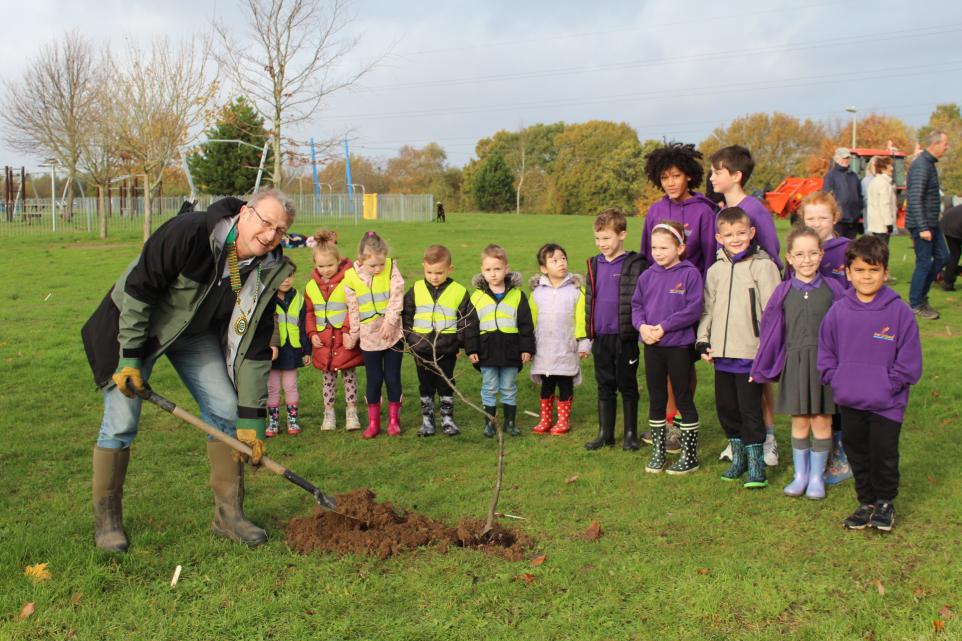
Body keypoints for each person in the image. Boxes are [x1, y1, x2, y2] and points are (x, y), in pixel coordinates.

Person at [81, 190, 296, 551]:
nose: (269, 234)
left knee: (227, 413)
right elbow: (139, 289)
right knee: (121, 422)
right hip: (137, 327)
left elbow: (256, 349)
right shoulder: (191, 233)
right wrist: (131, 357)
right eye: (265, 222)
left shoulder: (264, 271)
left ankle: (229, 518)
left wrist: (253, 421)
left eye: (280, 230)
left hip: (193, 334)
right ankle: (108, 523)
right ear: (245, 213)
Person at [818, 236, 922, 531]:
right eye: (860, 270)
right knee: (856, 451)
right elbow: (826, 352)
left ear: (885, 273)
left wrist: (887, 385)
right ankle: (866, 502)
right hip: (850, 399)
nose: (867, 276)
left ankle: (885, 502)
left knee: (884, 453)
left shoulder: (899, 312)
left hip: (887, 403)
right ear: (848, 273)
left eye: (873, 270)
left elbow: (910, 361)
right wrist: (837, 379)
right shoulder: (838, 311)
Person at [752, 227, 846, 499]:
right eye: (800, 254)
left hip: (825, 365)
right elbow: (771, 332)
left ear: (821, 254)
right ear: (790, 258)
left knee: (821, 419)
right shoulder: (782, 292)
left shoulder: (834, 289)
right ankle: (800, 475)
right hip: (795, 363)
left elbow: (847, 328)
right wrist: (762, 367)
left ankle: (817, 477)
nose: (807, 260)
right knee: (800, 420)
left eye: (813, 253)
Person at [695, 207, 781, 488]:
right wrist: (703, 340)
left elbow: (773, 312)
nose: (735, 238)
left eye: (741, 233)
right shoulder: (715, 270)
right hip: (722, 355)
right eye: (729, 234)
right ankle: (739, 458)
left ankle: (757, 465)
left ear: (751, 233)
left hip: (750, 353)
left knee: (750, 410)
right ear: (719, 237)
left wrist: (766, 350)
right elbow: (708, 309)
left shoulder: (763, 266)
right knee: (727, 409)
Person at [638, 142, 716, 451]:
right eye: (665, 176)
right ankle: (668, 424)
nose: (671, 182)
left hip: (689, 301)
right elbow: (648, 255)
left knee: (684, 365)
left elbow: (711, 258)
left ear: (689, 177)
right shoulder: (655, 210)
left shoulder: (704, 211)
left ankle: (683, 422)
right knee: (663, 365)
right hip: (659, 302)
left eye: (677, 175)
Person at [709, 145, 782, 465]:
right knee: (735, 388)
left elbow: (772, 254)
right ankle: (740, 441)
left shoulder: (755, 209)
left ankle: (768, 439)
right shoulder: (723, 209)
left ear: (735, 176)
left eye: (717, 172)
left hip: (755, 310)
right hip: (729, 314)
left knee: (758, 380)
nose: (711, 177)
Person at [630, 220, 703, 474]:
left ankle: (689, 454)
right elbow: (637, 306)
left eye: (664, 247)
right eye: (654, 248)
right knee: (657, 397)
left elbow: (693, 309)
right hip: (653, 347)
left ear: (680, 248)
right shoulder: (648, 275)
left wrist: (664, 326)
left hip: (679, 346)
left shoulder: (689, 273)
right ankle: (659, 451)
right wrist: (642, 327)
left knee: (683, 397)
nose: (658, 253)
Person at [583, 209, 649, 451]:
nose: (602, 244)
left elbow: (645, 299)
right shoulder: (593, 264)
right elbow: (589, 299)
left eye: (607, 238)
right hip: (601, 336)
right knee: (604, 384)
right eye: (598, 239)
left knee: (627, 385)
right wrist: (587, 334)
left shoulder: (636, 264)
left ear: (622, 235)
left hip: (625, 337)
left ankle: (630, 434)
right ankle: (605, 433)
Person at [464, 244, 536, 438]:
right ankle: (490, 422)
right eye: (488, 270)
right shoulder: (477, 297)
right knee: (489, 386)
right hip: (486, 350)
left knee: (508, 387)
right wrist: (471, 350)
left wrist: (527, 348)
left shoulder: (517, 295)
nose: (493, 274)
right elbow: (470, 326)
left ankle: (510, 423)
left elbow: (526, 325)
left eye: (497, 269)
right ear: (482, 271)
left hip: (511, 351)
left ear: (506, 269)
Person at [402, 244, 472, 437]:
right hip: (421, 347)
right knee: (425, 384)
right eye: (429, 272)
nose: (434, 277)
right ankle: (427, 421)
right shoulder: (415, 289)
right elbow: (407, 316)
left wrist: (458, 343)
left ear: (450, 269)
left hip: (447, 348)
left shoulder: (459, 291)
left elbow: (465, 320)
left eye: (439, 273)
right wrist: (411, 338)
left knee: (446, 382)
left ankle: (447, 419)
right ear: (423, 266)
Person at [343, 231, 405, 438]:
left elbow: (397, 298)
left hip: (392, 334)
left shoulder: (391, 269)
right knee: (374, 378)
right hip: (369, 337)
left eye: (380, 264)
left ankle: (394, 421)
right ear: (361, 259)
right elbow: (352, 308)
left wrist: (389, 323)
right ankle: (373, 423)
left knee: (392, 377)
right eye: (372, 266)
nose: (378, 269)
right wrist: (353, 334)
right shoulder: (350, 277)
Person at [528, 243, 591, 436]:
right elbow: (530, 321)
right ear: (543, 268)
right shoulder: (537, 293)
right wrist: (528, 346)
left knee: (565, 382)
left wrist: (584, 343)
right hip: (544, 348)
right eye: (554, 260)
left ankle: (563, 420)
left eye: (563, 258)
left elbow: (583, 319)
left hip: (566, 347)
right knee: (547, 384)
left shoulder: (576, 291)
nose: (561, 263)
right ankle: (545, 419)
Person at [304, 230, 363, 432]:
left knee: (349, 376)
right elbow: (309, 313)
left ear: (338, 261)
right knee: (328, 379)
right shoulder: (311, 286)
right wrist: (312, 334)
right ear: (315, 265)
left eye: (330, 265)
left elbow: (353, 307)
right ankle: (328, 414)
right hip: (324, 342)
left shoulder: (349, 281)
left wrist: (348, 330)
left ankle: (351, 412)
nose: (326, 270)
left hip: (344, 340)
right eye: (321, 266)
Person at [906, 129, 951, 320]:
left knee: (944, 257)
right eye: (945, 143)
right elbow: (915, 198)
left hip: (932, 223)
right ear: (935, 144)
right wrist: (923, 227)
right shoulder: (922, 165)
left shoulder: (929, 164)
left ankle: (921, 296)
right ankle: (916, 303)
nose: (947, 147)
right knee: (924, 263)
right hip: (922, 224)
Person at [266, 257, 311, 437]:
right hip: (273, 352)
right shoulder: (266, 299)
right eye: (282, 276)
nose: (286, 280)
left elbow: (303, 327)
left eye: (290, 276)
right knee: (272, 388)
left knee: (291, 386)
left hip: (292, 350)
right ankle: (273, 422)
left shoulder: (299, 299)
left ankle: (293, 421)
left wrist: (307, 350)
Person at [822, 147, 864, 240]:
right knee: (838, 247)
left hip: (853, 220)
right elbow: (827, 198)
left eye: (848, 158)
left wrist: (859, 212)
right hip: (838, 221)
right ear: (836, 159)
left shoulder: (854, 176)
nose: (846, 160)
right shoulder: (830, 176)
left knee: (851, 248)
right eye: (844, 158)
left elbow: (859, 195)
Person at [866, 157, 898, 246]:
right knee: (882, 254)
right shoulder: (884, 184)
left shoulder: (873, 182)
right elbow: (884, 205)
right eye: (890, 165)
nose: (892, 168)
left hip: (874, 224)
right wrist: (888, 224)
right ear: (883, 168)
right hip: (882, 226)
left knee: (875, 253)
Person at [939, 204, 962, 292]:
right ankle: (951, 275)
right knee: (955, 254)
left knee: (954, 254)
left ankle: (947, 283)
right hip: (956, 225)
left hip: (947, 223)